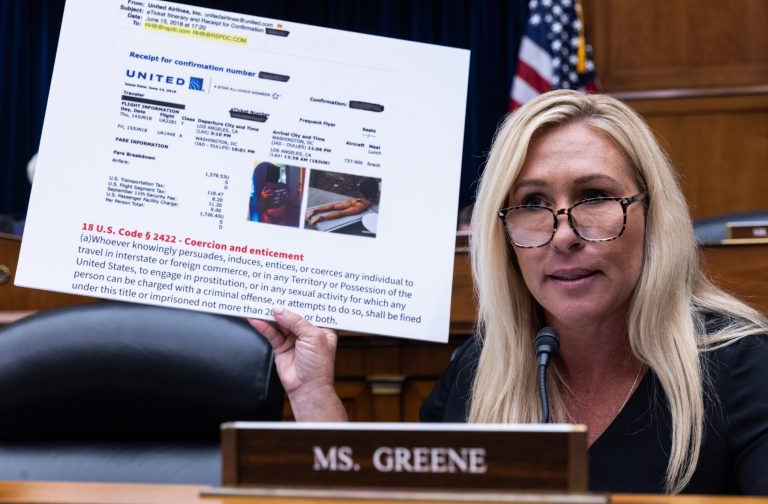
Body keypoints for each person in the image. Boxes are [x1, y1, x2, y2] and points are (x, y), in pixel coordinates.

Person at [248, 90, 768, 494]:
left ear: (654, 217)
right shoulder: (481, 368)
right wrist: (313, 396)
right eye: (533, 202)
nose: (563, 235)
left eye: (595, 197)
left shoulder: (741, 366)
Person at [305, 177, 379, 227]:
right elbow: (376, 201)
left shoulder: (366, 191)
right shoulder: (377, 194)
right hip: (361, 205)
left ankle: (316, 210)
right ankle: (322, 218)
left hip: (356, 200)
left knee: (335, 206)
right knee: (342, 213)